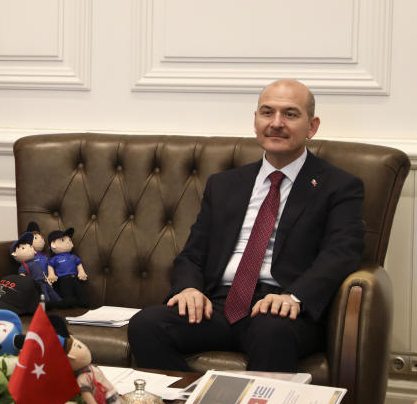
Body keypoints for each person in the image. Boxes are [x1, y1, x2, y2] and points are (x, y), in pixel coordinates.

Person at [127, 79, 365, 372]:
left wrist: (295, 296)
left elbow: (343, 252)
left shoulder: (338, 186)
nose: (276, 123)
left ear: (312, 126)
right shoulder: (225, 184)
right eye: (267, 112)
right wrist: (189, 288)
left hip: (281, 308)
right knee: (146, 325)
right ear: (255, 121)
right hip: (218, 304)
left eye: (290, 114)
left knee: (271, 331)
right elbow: (192, 253)